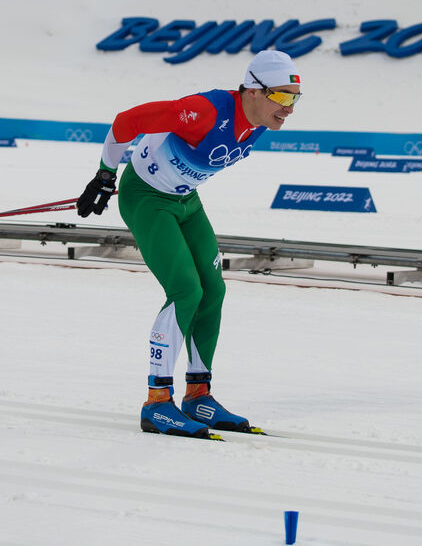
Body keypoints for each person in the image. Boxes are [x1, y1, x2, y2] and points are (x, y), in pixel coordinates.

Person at [76, 50, 302, 439]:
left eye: (295, 98)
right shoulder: (203, 111)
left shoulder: (260, 123)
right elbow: (126, 122)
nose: (289, 108)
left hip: (186, 201)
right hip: (147, 198)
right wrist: (104, 174)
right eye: (282, 96)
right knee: (186, 290)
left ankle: (198, 395)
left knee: (213, 290)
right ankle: (157, 402)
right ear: (252, 90)